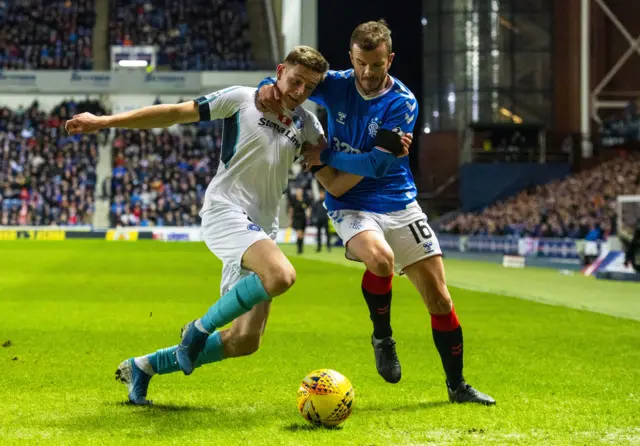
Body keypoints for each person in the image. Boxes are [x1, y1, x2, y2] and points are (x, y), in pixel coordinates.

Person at [65, 46, 348, 405]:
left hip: (261, 231)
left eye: (309, 87)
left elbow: (334, 180)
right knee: (281, 276)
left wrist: (377, 159)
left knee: (245, 341)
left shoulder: (308, 125)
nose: (299, 92)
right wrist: (105, 121)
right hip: (225, 211)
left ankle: (144, 367)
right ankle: (198, 329)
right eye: (295, 81)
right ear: (279, 71)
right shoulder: (241, 98)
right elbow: (173, 113)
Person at [257, 20, 495, 405]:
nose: (368, 73)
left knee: (440, 300)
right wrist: (264, 86)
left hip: (398, 200)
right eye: (361, 64)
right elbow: (289, 79)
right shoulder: (334, 83)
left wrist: (327, 155)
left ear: (390, 59)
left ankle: (457, 386)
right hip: (350, 204)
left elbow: (378, 166)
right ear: (351, 59)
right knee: (381, 260)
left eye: (377, 64)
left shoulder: (402, 103)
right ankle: (382, 336)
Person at [289, 187, 309, 254]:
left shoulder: (304, 200)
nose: (299, 193)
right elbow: (291, 209)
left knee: (302, 234)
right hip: (296, 218)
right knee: (299, 234)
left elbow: (306, 207)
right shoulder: (294, 200)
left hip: (303, 218)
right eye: (298, 192)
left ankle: (301, 248)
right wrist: (291, 219)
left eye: (300, 192)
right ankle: (299, 249)